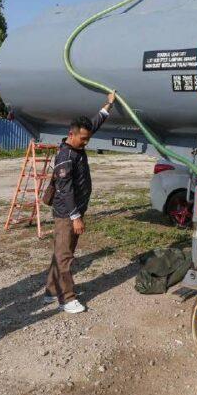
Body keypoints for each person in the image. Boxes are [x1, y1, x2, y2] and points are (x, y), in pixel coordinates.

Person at [44, 92, 115, 313]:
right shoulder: (65, 157)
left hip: (74, 212)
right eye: (83, 139)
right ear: (71, 135)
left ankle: (51, 291)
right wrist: (75, 217)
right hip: (66, 214)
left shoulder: (79, 143)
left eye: (88, 138)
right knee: (65, 257)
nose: (86, 142)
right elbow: (65, 191)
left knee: (61, 253)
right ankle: (67, 299)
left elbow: (92, 124)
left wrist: (108, 106)